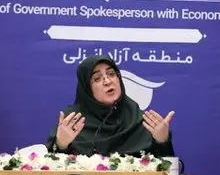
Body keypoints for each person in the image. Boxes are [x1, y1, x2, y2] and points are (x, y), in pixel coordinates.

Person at [45, 54, 176, 157]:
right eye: (97, 78)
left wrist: (162, 141)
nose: (107, 81)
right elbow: (52, 173)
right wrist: (61, 145)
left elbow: (165, 172)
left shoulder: (142, 122)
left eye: (111, 74)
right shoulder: (72, 122)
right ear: (86, 89)